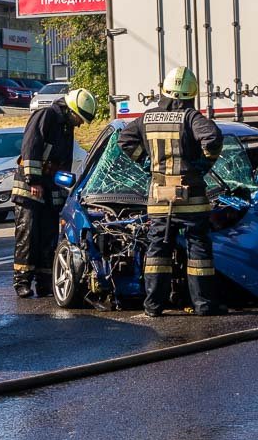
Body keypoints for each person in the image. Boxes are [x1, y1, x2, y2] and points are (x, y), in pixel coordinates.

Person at [118, 66, 225, 317]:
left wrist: (145, 161)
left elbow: (124, 140)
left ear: (164, 91)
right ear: (190, 94)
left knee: (157, 251)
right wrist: (202, 164)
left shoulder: (146, 118)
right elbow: (213, 138)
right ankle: (203, 305)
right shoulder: (190, 117)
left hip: (158, 197)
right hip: (191, 199)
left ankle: (153, 306)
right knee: (198, 251)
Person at [12, 88, 97, 298]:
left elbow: (63, 162)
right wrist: (35, 180)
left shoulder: (66, 127)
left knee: (49, 237)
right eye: (79, 118)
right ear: (70, 110)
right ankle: (22, 281)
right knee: (29, 235)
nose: (79, 123)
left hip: (51, 186)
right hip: (30, 187)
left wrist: (63, 191)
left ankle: (44, 282)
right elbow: (31, 147)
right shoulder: (46, 116)